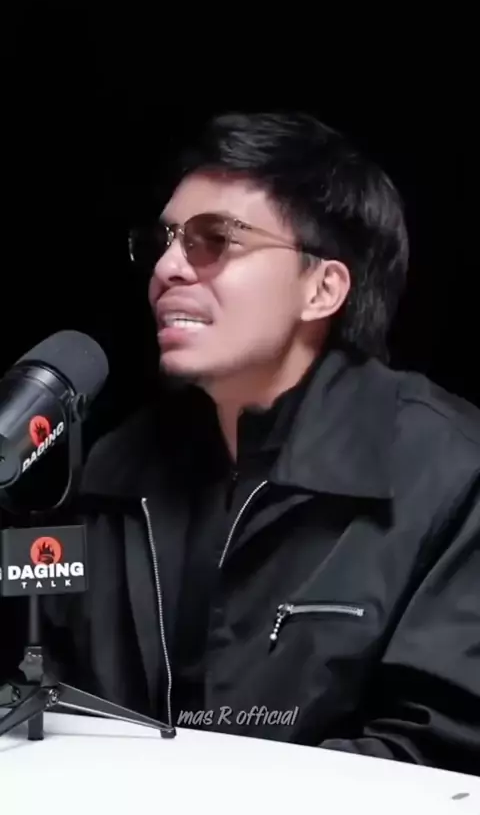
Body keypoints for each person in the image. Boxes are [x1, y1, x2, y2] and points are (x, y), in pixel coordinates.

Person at [43, 112, 480, 774]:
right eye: (164, 242)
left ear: (322, 288)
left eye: (214, 240)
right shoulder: (111, 468)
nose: (167, 268)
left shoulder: (449, 468)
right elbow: (49, 700)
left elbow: (437, 752)